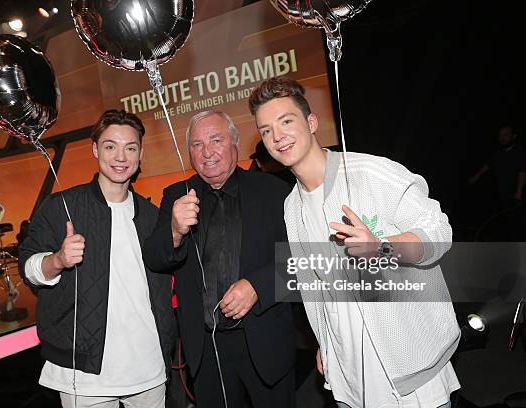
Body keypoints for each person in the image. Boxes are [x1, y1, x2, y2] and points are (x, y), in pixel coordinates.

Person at [249, 77, 461, 408]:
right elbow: (314, 287)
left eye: (286, 121)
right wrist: (325, 342)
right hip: (349, 378)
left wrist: (382, 247)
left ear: (311, 122)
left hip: (408, 367)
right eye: (265, 130)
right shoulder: (291, 208)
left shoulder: (370, 173)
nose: (277, 136)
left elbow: (438, 231)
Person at [19, 109, 177, 408]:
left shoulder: (153, 216)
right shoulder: (61, 207)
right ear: (95, 149)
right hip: (85, 374)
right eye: (110, 146)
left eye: (130, 148)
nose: (120, 157)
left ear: (140, 153)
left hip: (149, 367)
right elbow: (27, 268)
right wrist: (58, 260)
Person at [142, 110, 296, 408]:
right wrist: (174, 230)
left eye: (216, 140)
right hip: (206, 351)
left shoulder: (274, 191)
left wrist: (257, 286)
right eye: (197, 145)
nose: (207, 152)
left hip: (266, 344)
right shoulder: (176, 195)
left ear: (235, 144)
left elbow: (301, 263)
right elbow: (155, 259)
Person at [469, 125, 526, 208]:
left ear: (513, 136)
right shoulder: (498, 153)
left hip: (516, 195)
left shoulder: (520, 152)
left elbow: (523, 172)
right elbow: (488, 165)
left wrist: (519, 191)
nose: (502, 138)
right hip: (501, 194)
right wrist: (476, 176)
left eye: (505, 135)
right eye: (500, 135)